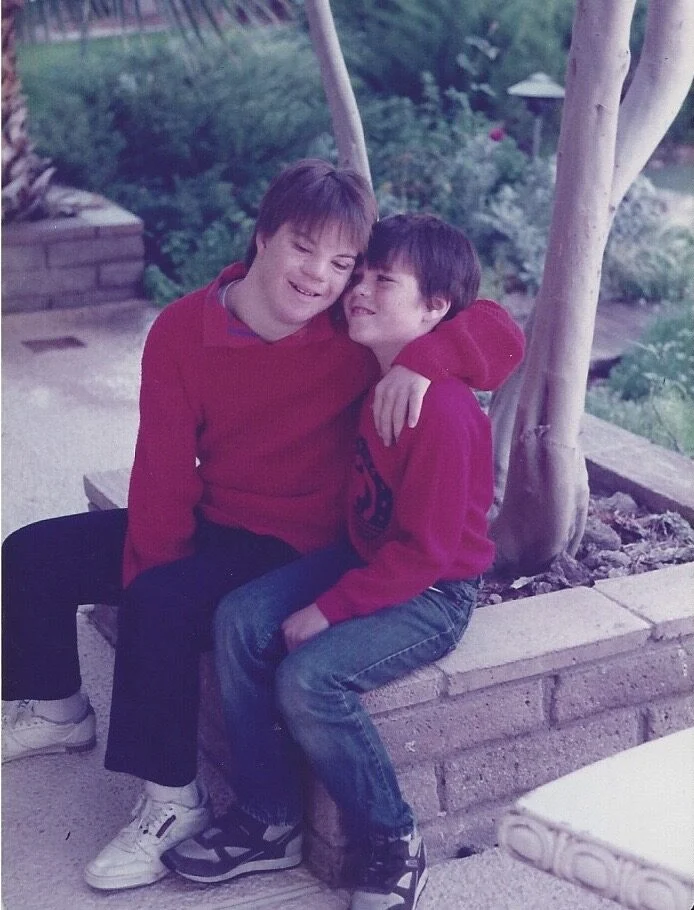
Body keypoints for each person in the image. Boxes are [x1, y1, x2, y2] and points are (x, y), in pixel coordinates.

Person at [1, 160, 499, 893]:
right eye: (303, 247)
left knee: (162, 603)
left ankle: (173, 803)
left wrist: (424, 360)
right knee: (34, 553)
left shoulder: (352, 327)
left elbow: (489, 324)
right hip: (218, 516)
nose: (320, 276)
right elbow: (163, 470)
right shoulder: (185, 329)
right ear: (264, 236)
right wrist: (157, 573)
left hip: (300, 542)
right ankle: (57, 711)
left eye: (342, 263)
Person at [162, 214, 525, 910]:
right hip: (365, 555)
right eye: (360, 274)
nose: (357, 290)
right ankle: (270, 818)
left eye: (383, 281)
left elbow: (424, 555)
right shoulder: (375, 360)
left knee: (309, 679)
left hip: (432, 591)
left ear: (434, 309)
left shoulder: (443, 413)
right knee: (238, 618)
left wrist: (330, 610)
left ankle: (393, 839)